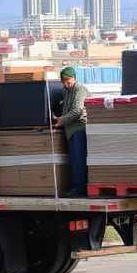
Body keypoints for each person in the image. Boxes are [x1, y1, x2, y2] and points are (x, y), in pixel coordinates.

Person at [53, 66, 89, 197]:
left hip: (79, 128)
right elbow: (66, 108)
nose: (66, 84)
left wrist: (61, 120)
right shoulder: (66, 91)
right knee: (74, 160)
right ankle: (76, 186)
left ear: (74, 79)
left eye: (68, 81)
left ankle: (80, 188)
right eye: (64, 82)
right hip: (70, 129)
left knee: (78, 159)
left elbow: (77, 111)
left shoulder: (79, 89)